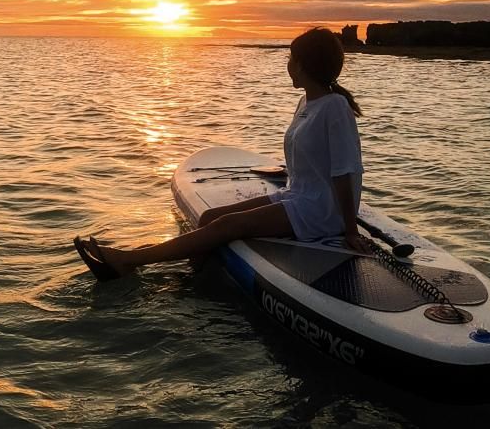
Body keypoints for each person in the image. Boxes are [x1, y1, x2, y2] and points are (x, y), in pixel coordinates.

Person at [74, 27, 366, 281]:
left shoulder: (335, 107)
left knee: (228, 226)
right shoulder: (306, 103)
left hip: (323, 212)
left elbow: (344, 170)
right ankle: (189, 277)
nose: (288, 65)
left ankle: (129, 260)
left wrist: (349, 230)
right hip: (298, 196)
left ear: (304, 65)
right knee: (210, 216)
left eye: (291, 59)